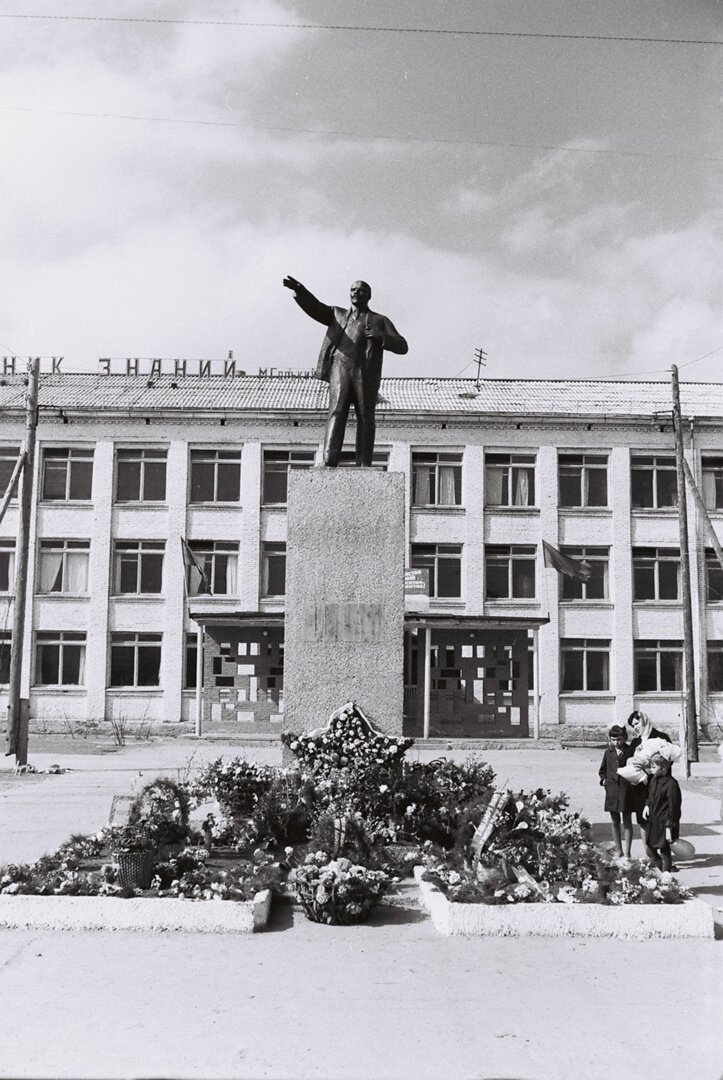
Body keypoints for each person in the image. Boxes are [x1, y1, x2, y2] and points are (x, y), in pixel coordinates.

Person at [282, 276, 408, 467]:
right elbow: (315, 308)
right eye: (353, 290)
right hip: (339, 368)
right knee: (336, 411)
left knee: (365, 416)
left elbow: (402, 345)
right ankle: (330, 458)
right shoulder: (337, 314)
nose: (356, 292)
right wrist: (300, 290)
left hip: (365, 373)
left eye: (361, 290)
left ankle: (364, 461)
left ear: (369, 295)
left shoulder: (379, 320)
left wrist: (381, 336)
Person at [626, 710, 671, 829]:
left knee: (659, 821)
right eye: (633, 726)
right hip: (640, 789)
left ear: (644, 720)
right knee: (643, 822)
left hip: (658, 787)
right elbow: (627, 761)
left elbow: (669, 760)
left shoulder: (661, 737)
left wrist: (649, 764)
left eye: (636, 723)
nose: (635, 728)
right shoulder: (636, 742)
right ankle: (647, 848)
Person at [598, 724, 634, 857]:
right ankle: (619, 850)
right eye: (613, 740)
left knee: (627, 821)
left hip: (626, 791)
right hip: (612, 791)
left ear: (624, 738)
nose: (616, 743)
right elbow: (602, 770)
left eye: (618, 739)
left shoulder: (630, 751)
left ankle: (628, 852)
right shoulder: (608, 752)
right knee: (615, 821)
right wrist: (604, 781)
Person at [642, 752, 682, 872]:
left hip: (665, 822)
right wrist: (647, 805)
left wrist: (670, 826)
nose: (651, 769)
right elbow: (650, 795)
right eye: (650, 767)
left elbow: (674, 807)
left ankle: (666, 877)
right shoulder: (654, 779)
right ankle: (664, 874)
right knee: (649, 847)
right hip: (654, 820)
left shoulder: (671, 784)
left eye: (654, 767)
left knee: (665, 851)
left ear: (663, 768)